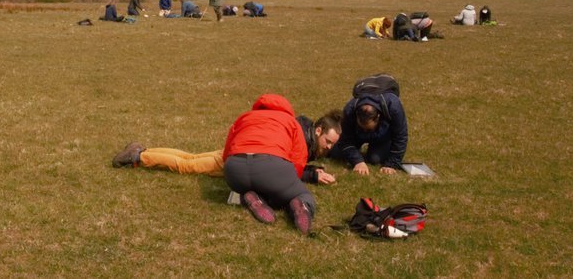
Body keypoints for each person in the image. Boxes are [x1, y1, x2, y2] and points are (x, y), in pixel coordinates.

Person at [112, 110, 343, 187]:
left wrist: (312, 169)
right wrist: (311, 174)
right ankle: (139, 156)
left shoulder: (300, 128)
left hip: (238, 148)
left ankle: (144, 150)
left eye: (333, 145)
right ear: (319, 131)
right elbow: (284, 169)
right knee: (187, 166)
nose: (329, 148)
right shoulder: (302, 142)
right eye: (328, 142)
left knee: (190, 157)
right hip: (241, 159)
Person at [222, 94, 317, 234]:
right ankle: (302, 205)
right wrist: (289, 181)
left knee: (259, 187)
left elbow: (227, 151)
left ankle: (248, 198)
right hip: (271, 167)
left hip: (234, 169)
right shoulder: (291, 122)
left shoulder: (244, 117)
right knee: (300, 194)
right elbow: (299, 157)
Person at [329, 86, 408, 176]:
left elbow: (401, 137)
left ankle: (375, 149)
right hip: (356, 134)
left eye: (369, 128)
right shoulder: (349, 110)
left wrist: (391, 164)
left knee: (375, 159)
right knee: (336, 154)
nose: (365, 130)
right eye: (362, 127)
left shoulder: (393, 106)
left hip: (383, 135)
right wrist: (358, 161)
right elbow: (345, 140)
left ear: (378, 117)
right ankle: (357, 151)